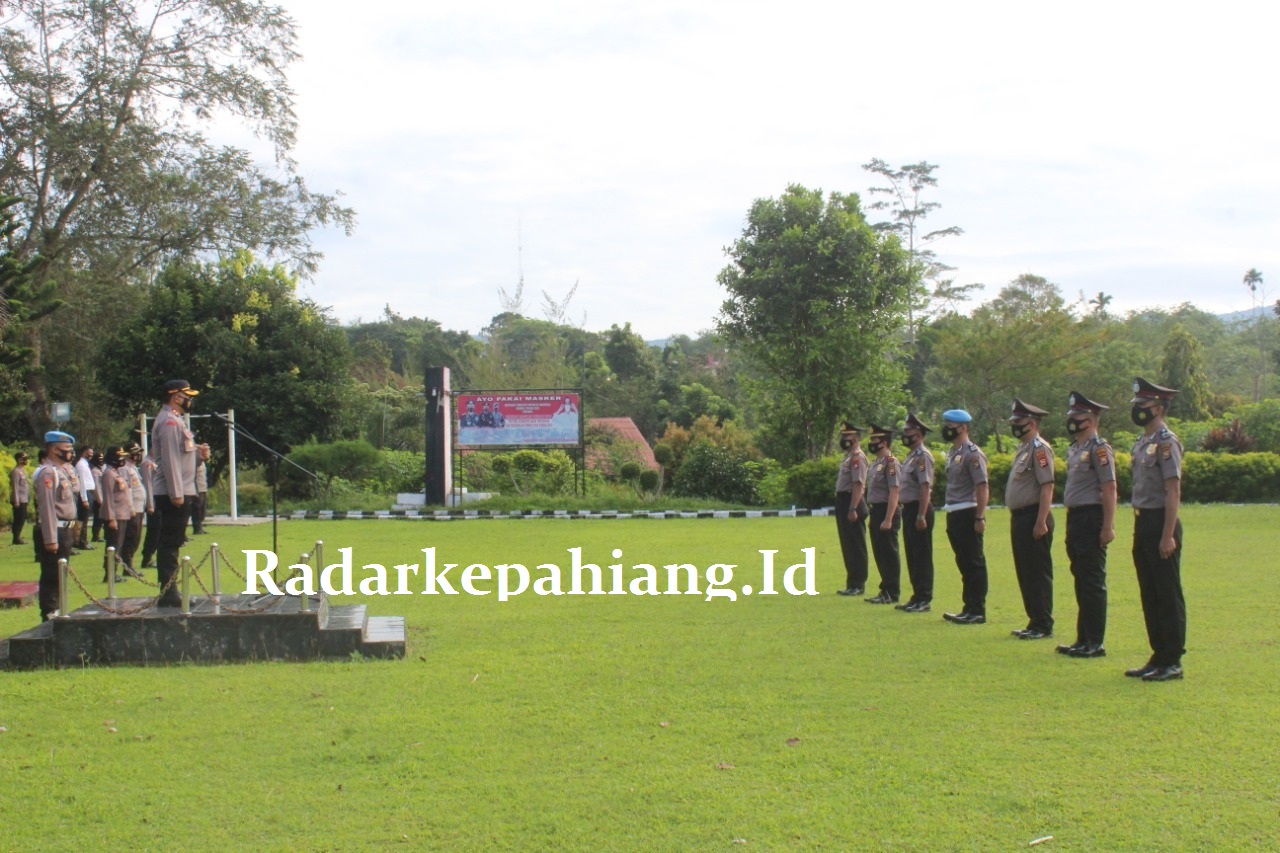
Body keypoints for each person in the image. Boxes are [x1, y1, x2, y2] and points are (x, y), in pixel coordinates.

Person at [1125, 377, 1186, 682]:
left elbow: (1172, 490)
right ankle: (1157, 654)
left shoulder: (1166, 442)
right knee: (1149, 591)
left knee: (1167, 592)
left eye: (1143, 406)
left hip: (1162, 520)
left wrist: (1168, 534)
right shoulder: (1142, 442)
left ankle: (1172, 659)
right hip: (1143, 520)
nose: (1138, 411)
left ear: (1159, 408)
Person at [1057, 391, 1117, 659]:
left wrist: (1108, 525)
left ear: (1090, 420)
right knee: (1080, 578)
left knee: (1092, 580)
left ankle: (1095, 641)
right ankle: (1082, 638)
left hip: (1092, 517)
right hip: (1075, 518)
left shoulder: (1099, 448)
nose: (1071, 420)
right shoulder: (1075, 448)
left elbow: (1109, 487)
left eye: (1077, 416)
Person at [1006, 398, 1056, 640]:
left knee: (1037, 571)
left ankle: (1043, 622)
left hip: (1034, 516)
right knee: (1025, 571)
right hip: (1020, 517)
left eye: (1019, 421)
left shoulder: (1039, 448)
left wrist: (1041, 520)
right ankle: (1034, 619)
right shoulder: (1024, 448)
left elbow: (1047, 485)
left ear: (1033, 423)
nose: (1015, 425)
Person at [151, 379, 201, 608]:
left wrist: (200, 457)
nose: (190, 399)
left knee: (174, 542)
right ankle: (168, 591)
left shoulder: (177, 421)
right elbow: (170, 460)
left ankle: (171, 589)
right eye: (186, 395)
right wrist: (176, 493)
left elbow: (182, 458)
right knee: (170, 543)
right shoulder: (169, 422)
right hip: (174, 492)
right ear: (175, 396)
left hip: (181, 489)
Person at [940, 409, 990, 625]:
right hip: (954, 512)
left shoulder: (972, 453)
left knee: (973, 563)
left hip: (968, 511)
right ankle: (968, 607)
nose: (947, 429)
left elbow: (982, 486)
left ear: (962, 428)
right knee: (963, 562)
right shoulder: (954, 453)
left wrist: (980, 516)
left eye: (950, 426)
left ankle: (977, 610)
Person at [36, 430, 80, 620]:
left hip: (65, 529)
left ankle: (58, 609)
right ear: (54, 449)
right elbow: (47, 508)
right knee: (52, 575)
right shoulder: (48, 472)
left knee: (60, 574)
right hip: (56, 529)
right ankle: (49, 612)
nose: (70, 452)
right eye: (67, 449)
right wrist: (50, 538)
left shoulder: (61, 471)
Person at [895, 414, 935, 613]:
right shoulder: (911, 456)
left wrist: (921, 515)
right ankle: (916, 595)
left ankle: (924, 598)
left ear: (918, 435)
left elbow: (925, 486)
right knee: (912, 555)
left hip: (920, 509)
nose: (905, 436)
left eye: (908, 433)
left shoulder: (922, 457)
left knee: (921, 555)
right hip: (909, 510)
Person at [864, 425, 902, 604]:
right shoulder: (876, 463)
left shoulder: (890, 462)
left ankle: (891, 591)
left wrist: (888, 518)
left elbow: (894, 491)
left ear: (884, 443)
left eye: (874, 440)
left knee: (889, 552)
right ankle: (884, 589)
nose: (871, 443)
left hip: (887, 510)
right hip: (876, 510)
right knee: (879, 552)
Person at [833, 422, 869, 596]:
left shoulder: (857, 457)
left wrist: (853, 507)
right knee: (848, 544)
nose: (843, 440)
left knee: (856, 545)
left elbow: (858, 484)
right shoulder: (848, 457)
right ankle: (852, 582)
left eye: (846, 437)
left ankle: (858, 583)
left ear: (854, 438)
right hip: (843, 501)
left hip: (851, 501)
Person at [98, 446, 134, 582]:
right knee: (113, 546)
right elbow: (108, 498)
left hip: (122, 515)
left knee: (118, 545)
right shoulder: (108, 474)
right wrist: (111, 518)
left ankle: (114, 572)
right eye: (120, 456)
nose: (122, 459)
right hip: (115, 516)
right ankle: (110, 574)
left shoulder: (116, 473)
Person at [138, 447, 160, 569]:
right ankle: (147, 558)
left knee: (158, 531)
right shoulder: (147, 464)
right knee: (154, 532)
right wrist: (150, 504)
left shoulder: (155, 462)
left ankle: (151, 557)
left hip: (158, 500)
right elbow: (148, 485)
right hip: (153, 501)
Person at [73, 445, 95, 550]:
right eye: (88, 453)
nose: (90, 455)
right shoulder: (81, 465)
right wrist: (84, 498)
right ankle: (82, 541)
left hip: (89, 492)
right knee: (83, 519)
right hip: (85, 492)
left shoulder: (85, 464)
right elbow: (81, 483)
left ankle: (83, 540)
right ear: (83, 453)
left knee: (85, 519)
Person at [10, 450, 29, 545]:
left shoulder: (23, 471)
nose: (26, 460)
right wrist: (16, 500)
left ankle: (18, 536)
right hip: (19, 499)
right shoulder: (16, 472)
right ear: (18, 460)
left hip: (24, 498)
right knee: (19, 519)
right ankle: (16, 537)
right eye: (24, 459)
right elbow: (15, 487)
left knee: (23, 518)